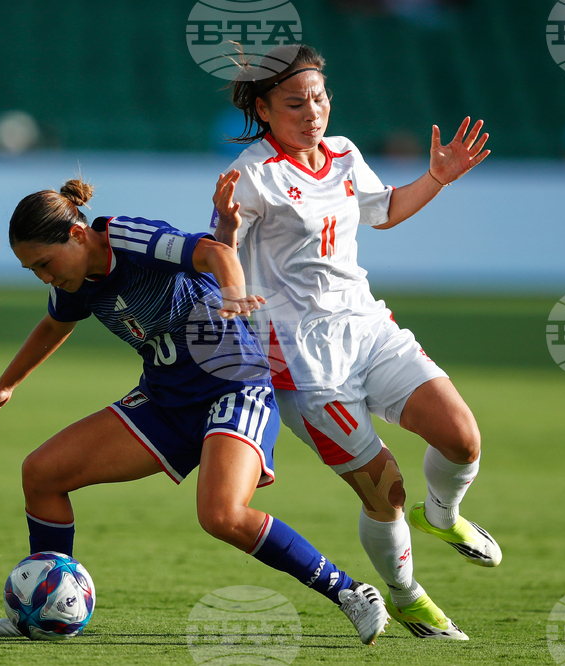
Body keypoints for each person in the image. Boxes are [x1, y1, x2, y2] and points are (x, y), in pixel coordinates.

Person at [0, 179, 390, 644]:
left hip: (234, 389)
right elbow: (55, 323)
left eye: (44, 263)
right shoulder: (76, 277)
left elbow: (216, 254)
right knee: (41, 473)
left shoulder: (127, 238)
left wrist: (232, 293)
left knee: (221, 514)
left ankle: (349, 591)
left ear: (78, 236)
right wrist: (5, 387)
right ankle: (43, 607)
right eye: (32, 270)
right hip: (165, 402)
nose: (44, 277)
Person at [211, 44, 497, 640]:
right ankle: (408, 596)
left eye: (318, 98)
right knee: (384, 489)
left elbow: (384, 210)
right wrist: (225, 232)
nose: (312, 112)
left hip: (368, 329)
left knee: (462, 436)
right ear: (263, 110)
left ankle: (443, 516)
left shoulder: (343, 154)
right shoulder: (254, 177)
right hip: (302, 360)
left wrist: (436, 178)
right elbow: (220, 252)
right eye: (294, 103)